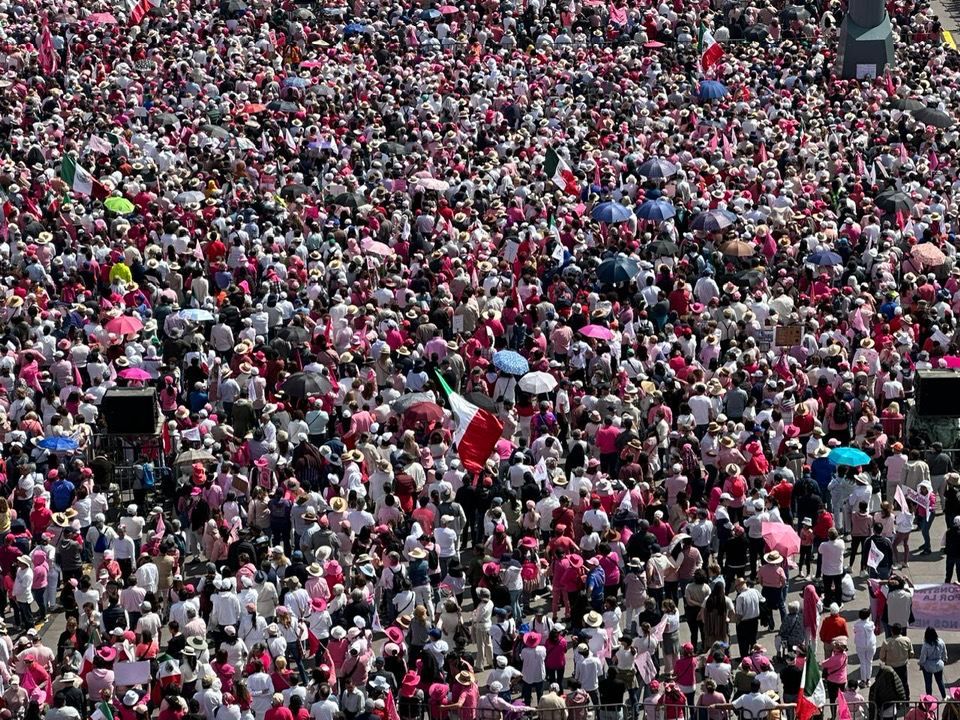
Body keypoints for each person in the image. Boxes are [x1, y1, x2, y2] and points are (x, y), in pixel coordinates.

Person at [917, 627, 948, 699]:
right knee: (940, 681)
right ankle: (944, 696)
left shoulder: (925, 645)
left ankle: (929, 699)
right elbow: (944, 653)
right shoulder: (941, 641)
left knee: (928, 683)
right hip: (939, 665)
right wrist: (944, 659)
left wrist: (921, 664)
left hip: (928, 666)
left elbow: (923, 657)